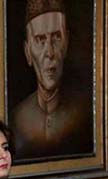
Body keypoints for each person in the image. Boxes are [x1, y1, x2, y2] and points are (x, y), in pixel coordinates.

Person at [9, 0, 91, 160]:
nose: (50, 53)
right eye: (40, 40)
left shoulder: (82, 115)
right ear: (28, 52)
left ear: (66, 43)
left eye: (56, 38)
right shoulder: (17, 118)